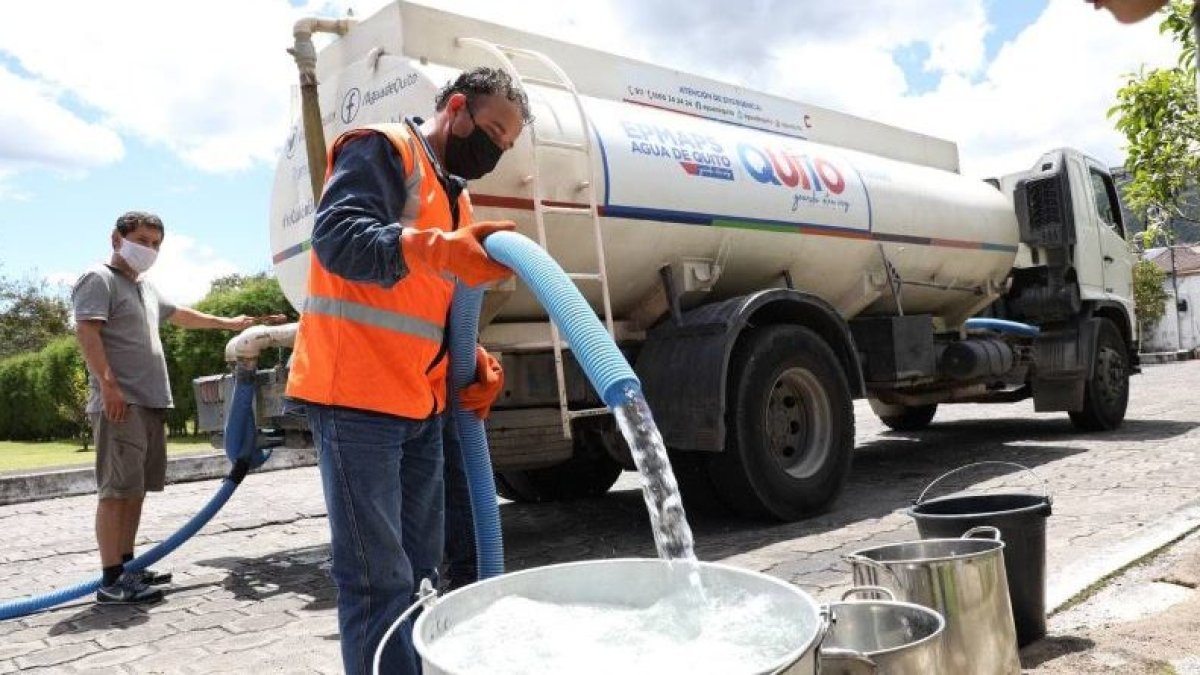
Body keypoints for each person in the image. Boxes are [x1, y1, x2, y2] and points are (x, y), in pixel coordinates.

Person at [285, 67, 529, 674]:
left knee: (422, 575)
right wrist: (434, 247)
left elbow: (429, 298)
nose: (497, 148)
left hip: (419, 402)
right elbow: (338, 240)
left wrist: (470, 357)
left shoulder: (457, 194)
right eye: (494, 130)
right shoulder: (382, 147)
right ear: (456, 108)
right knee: (377, 578)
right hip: (355, 395)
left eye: (508, 142)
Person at [72, 211, 257, 604]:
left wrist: (231, 323)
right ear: (116, 238)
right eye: (141, 240)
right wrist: (109, 387)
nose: (149, 249)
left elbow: (185, 316)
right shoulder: (99, 279)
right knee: (115, 491)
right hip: (122, 402)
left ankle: (128, 567)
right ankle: (110, 581)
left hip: (151, 402)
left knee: (135, 491)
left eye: (155, 244)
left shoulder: (145, 288)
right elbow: (87, 332)